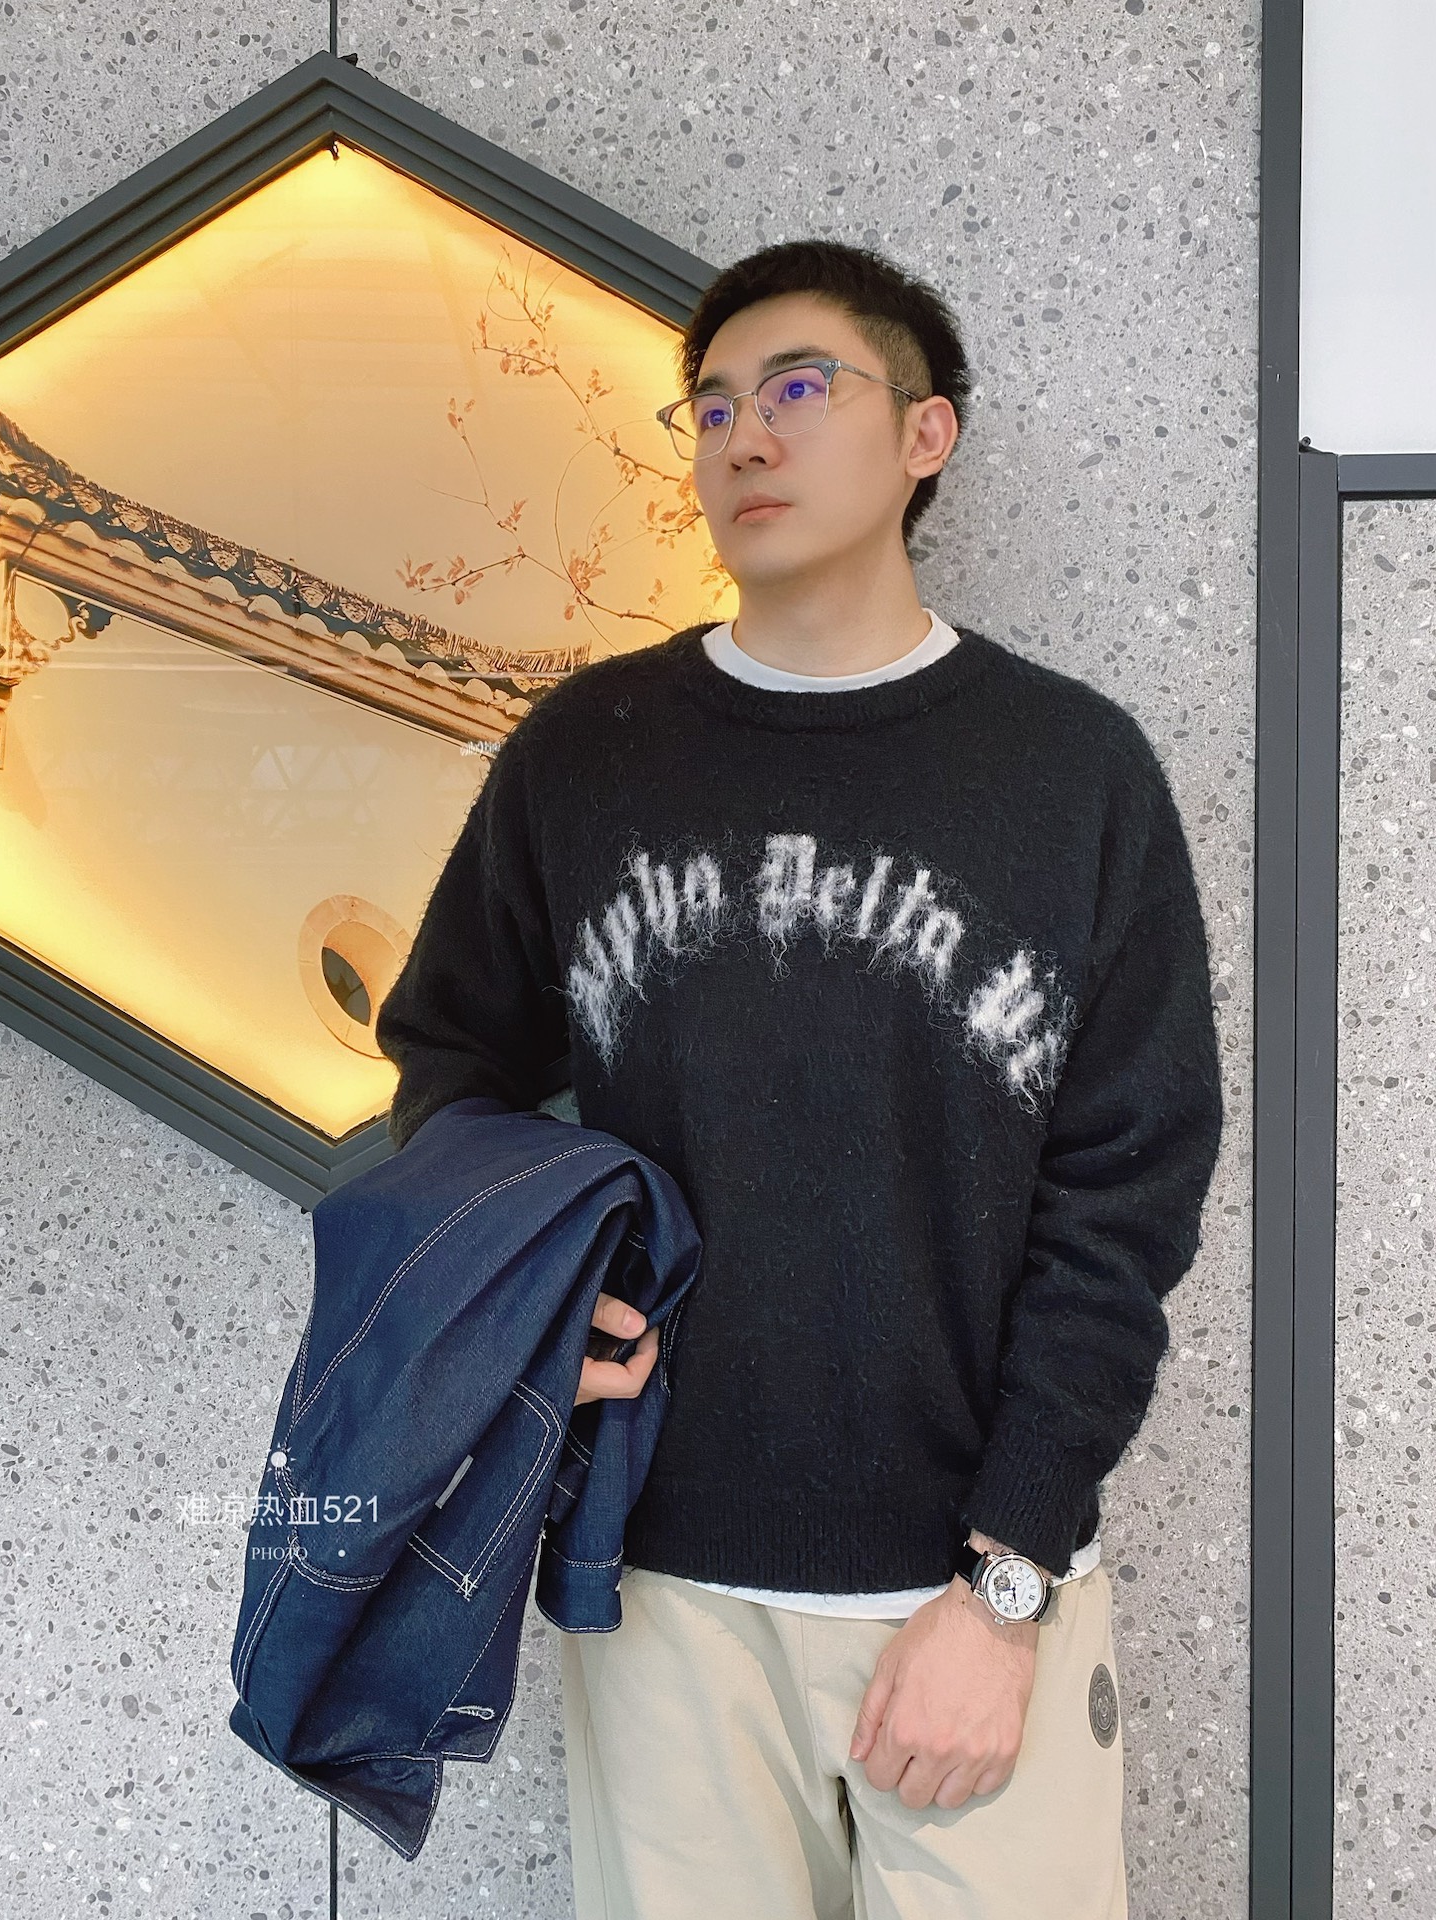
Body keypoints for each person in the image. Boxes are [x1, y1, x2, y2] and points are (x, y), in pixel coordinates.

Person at [375, 238, 1225, 1920]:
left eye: (799, 388)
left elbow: (1125, 1205)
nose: (744, 436)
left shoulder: (1072, 772)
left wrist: (1003, 1584)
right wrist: (544, 1303)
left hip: (970, 1587)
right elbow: (451, 1065)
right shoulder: (589, 756)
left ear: (926, 434)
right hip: (662, 1581)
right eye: (708, 408)